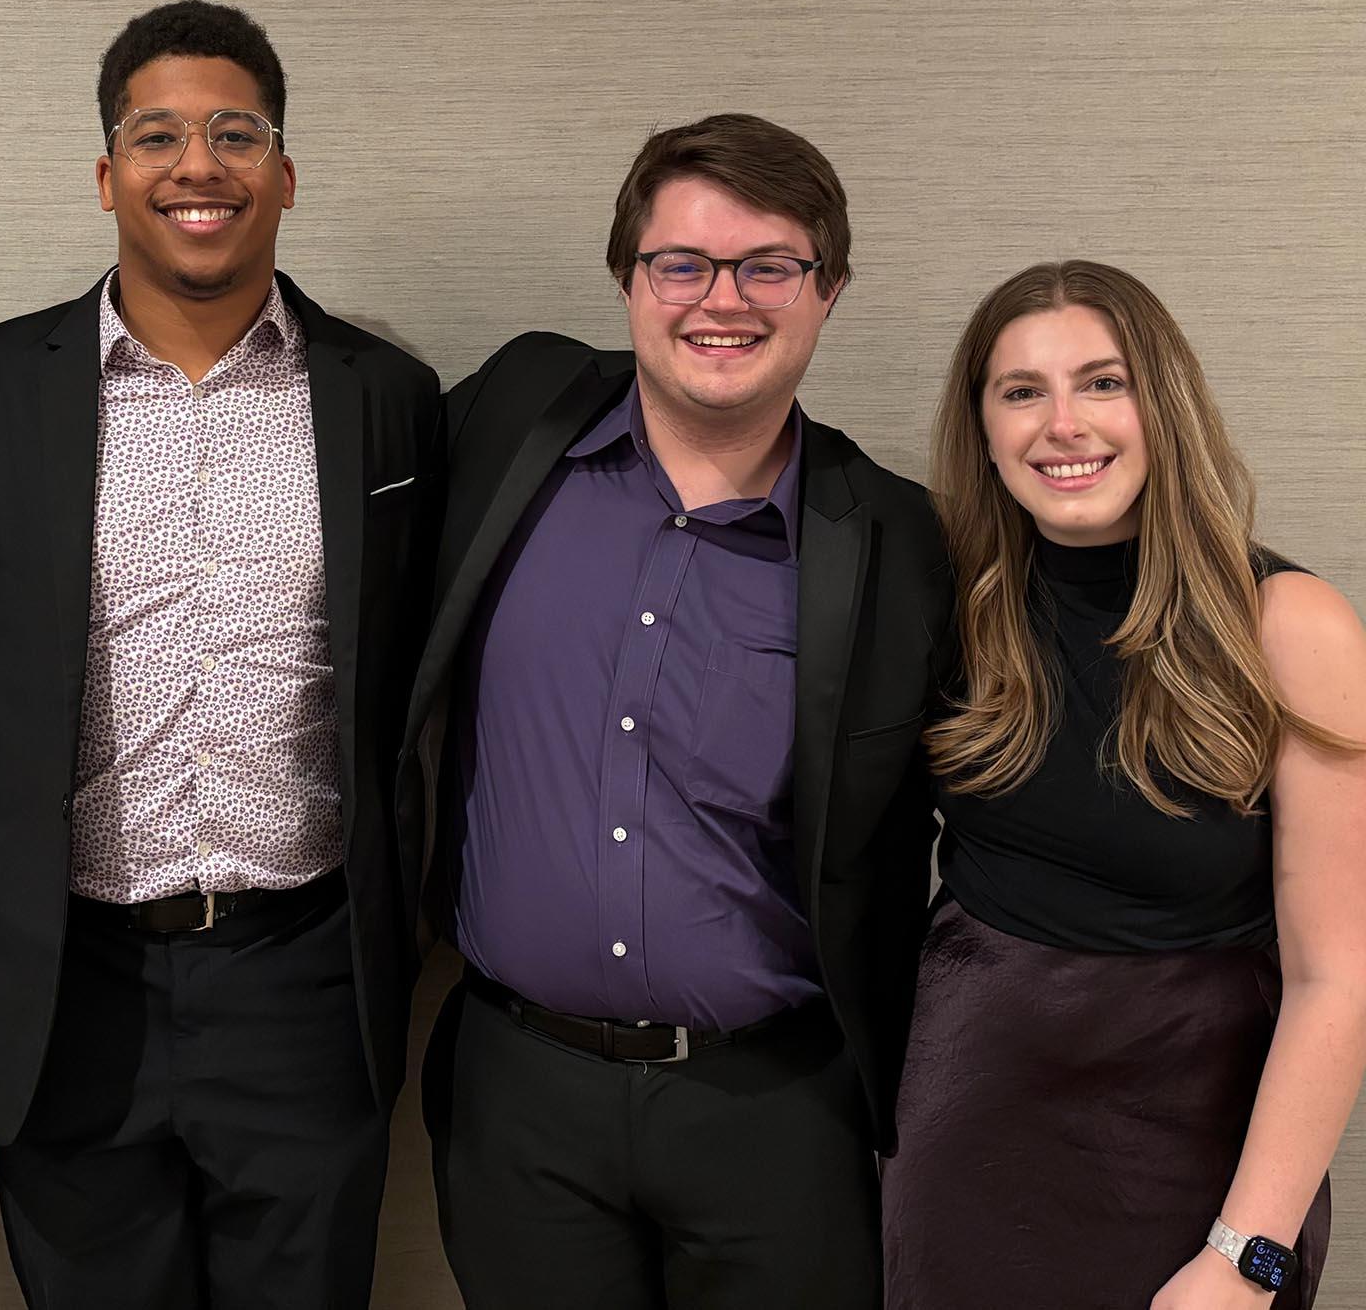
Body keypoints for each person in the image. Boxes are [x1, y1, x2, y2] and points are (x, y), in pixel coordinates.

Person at [0, 0, 441, 1309]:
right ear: (108, 175)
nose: (196, 165)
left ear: (282, 171)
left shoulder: (384, 397)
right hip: (65, 982)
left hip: (305, 983)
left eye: (234, 133)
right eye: (158, 136)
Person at [403, 113, 952, 1308]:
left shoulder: (895, 542)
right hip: (518, 1094)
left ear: (829, 289)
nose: (723, 300)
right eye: (682, 263)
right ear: (626, 278)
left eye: (770, 265)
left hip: (773, 1112)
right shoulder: (509, 420)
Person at [882, 260, 1366, 1308]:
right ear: (983, 424)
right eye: (1021, 390)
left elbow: (1340, 975)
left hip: (1193, 1160)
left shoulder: (1288, 627)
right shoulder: (955, 610)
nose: (1063, 423)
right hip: (965, 1139)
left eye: (1101, 382)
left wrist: (1247, 1255)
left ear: (1163, 402)